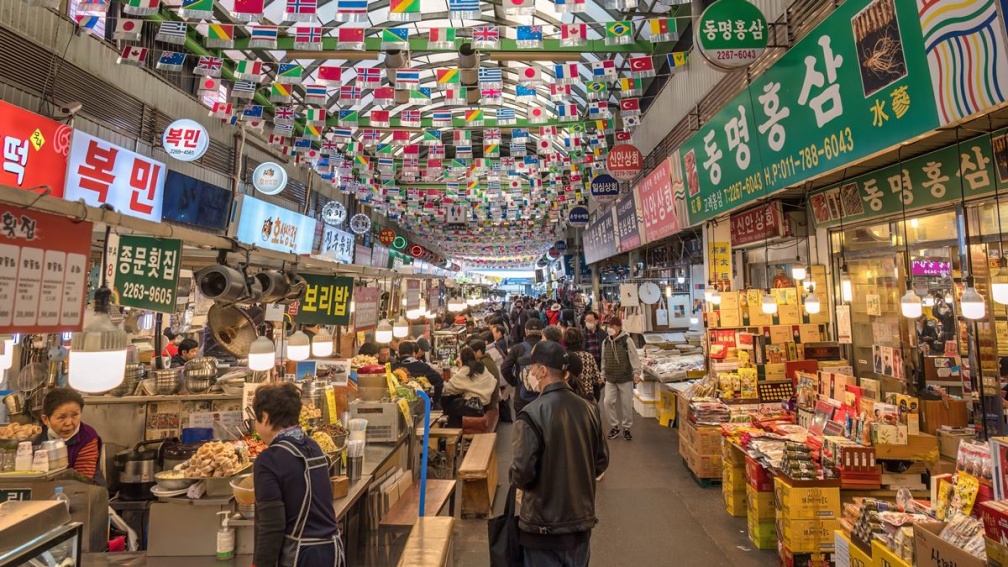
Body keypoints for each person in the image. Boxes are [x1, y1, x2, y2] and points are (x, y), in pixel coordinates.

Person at [511, 341, 609, 566]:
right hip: (580, 521)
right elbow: (601, 461)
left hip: (542, 526)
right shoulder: (590, 409)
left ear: (543, 371)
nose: (531, 373)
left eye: (533, 368)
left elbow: (522, 472)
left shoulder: (531, 414)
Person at [252, 383, 343, 566]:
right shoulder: (313, 446)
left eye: (256, 418)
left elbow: (272, 526)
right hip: (333, 551)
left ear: (265, 417)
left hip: (301, 556)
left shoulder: (268, 461)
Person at [33, 388, 104, 483]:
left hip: (84, 489)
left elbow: (82, 480)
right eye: (61, 417)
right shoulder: (36, 435)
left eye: (75, 415)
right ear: (46, 419)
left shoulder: (87, 437)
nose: (69, 423)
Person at [601, 316, 642, 441]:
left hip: (625, 377)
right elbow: (604, 359)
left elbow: (634, 357)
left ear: (619, 327)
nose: (610, 329)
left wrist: (636, 373)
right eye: (609, 326)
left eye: (613, 326)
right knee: (607, 402)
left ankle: (626, 428)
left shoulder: (627, 340)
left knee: (626, 404)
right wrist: (602, 373)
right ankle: (614, 426)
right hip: (610, 378)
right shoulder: (605, 342)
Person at [442, 346, 498, 428]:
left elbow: (449, 388)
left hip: (474, 405)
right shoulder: (482, 366)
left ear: (462, 359)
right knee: (457, 401)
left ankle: (454, 431)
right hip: (485, 402)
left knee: (452, 405)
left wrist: (443, 381)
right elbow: (493, 381)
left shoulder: (466, 370)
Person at [503, 319, 544, 414]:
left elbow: (505, 368)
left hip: (522, 398)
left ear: (526, 331)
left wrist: (515, 382)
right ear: (542, 332)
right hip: (543, 397)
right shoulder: (548, 347)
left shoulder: (517, 348)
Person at [395, 341, 445, 406]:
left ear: (398, 354)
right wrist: (434, 399)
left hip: (398, 405)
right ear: (413, 353)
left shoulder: (392, 368)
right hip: (420, 406)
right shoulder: (423, 367)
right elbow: (439, 381)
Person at [565, 327, 602, 403]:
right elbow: (597, 380)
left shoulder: (564, 356)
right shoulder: (588, 356)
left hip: (568, 397)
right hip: (587, 397)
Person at [582, 312, 606, 400]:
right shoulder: (582, 333)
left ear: (596, 321)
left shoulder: (603, 334)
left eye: (590, 320)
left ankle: (595, 408)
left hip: (598, 364)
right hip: (586, 365)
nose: (588, 322)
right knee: (586, 390)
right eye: (586, 320)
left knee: (597, 388)